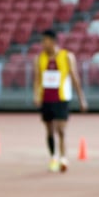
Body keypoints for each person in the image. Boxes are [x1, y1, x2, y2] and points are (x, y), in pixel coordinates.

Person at [33, 29, 87, 172]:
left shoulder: (66, 56)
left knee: (61, 129)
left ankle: (63, 156)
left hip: (61, 98)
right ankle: (53, 156)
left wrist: (81, 98)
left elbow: (74, 77)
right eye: (42, 41)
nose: (43, 44)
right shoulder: (39, 58)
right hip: (46, 97)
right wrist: (36, 95)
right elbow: (37, 78)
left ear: (53, 41)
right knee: (49, 130)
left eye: (45, 41)